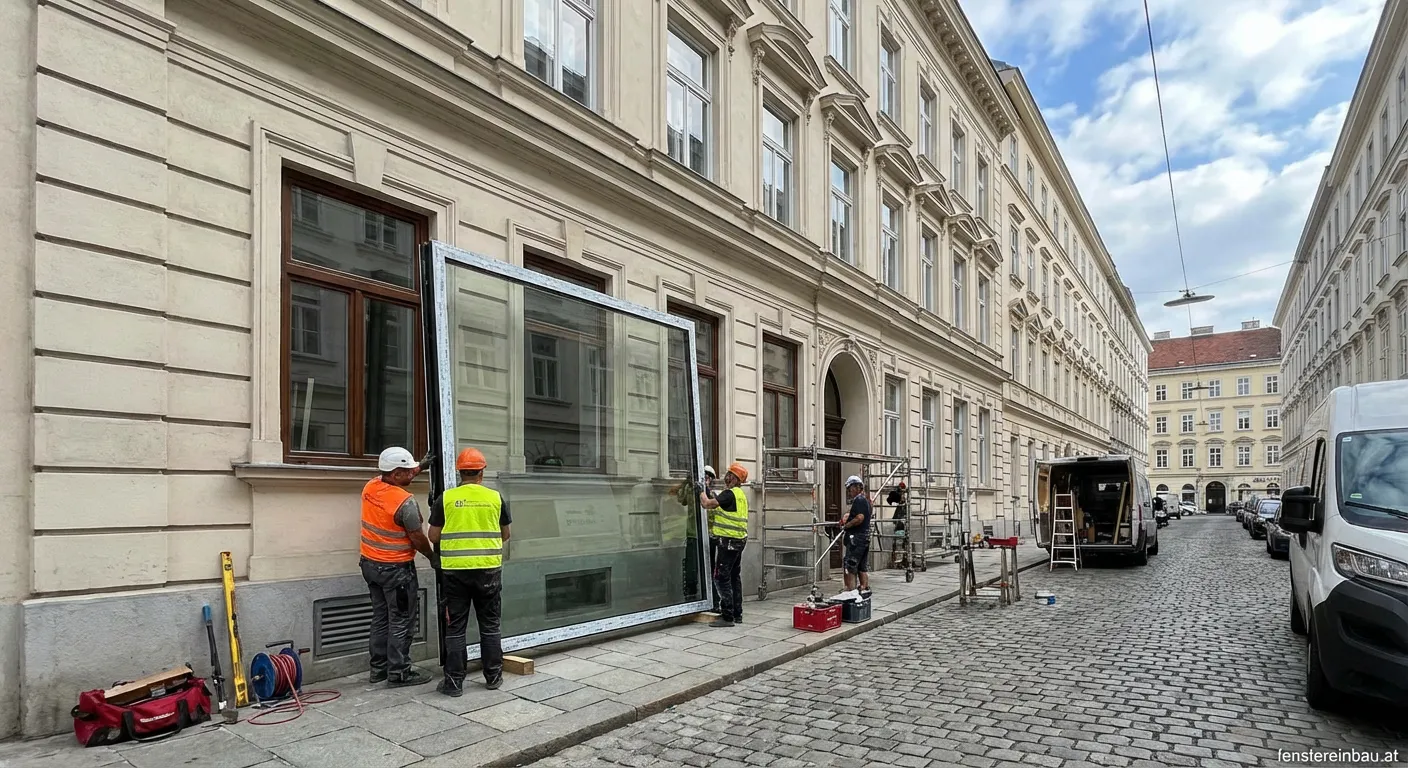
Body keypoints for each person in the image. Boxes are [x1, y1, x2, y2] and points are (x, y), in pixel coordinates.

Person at [429, 448, 511, 696]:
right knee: (490, 625)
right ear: (482, 472)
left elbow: (433, 535)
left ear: (460, 472)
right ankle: (494, 676)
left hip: (455, 574)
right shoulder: (495, 498)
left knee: (455, 628)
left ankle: (454, 683)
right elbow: (506, 534)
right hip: (488, 572)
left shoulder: (446, 498)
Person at [360, 447, 436, 687]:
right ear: (394, 474)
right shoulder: (406, 502)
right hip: (396, 571)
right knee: (401, 620)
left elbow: (404, 473)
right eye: (405, 471)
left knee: (381, 618)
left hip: (370, 566)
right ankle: (400, 672)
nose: (410, 475)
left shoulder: (371, 486)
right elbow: (417, 538)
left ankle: (378, 670)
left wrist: (421, 465)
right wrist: (432, 557)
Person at [699, 462, 748, 627]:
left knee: (721, 577)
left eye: (728, 474)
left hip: (729, 542)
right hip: (739, 541)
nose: (725, 477)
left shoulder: (729, 494)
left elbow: (706, 504)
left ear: (733, 478)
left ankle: (727, 616)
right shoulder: (740, 494)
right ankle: (737, 613)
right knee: (734, 576)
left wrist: (701, 488)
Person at [838, 475, 872, 594]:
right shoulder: (865, 500)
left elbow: (859, 518)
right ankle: (864, 589)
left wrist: (847, 525)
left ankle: (849, 591)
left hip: (857, 538)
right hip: (864, 538)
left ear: (857, 487)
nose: (849, 491)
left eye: (850, 488)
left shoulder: (859, 500)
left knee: (850, 565)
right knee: (861, 566)